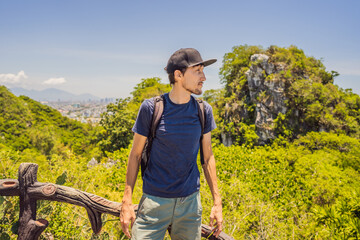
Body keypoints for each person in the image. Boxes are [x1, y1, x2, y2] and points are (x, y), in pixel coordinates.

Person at [120, 48, 223, 239]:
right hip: (153, 203)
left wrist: (217, 203)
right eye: (198, 71)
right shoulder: (152, 108)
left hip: (190, 205)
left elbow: (207, 158)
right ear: (178, 75)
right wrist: (127, 202)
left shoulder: (203, 110)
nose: (204, 77)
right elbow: (135, 155)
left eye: (203, 71)